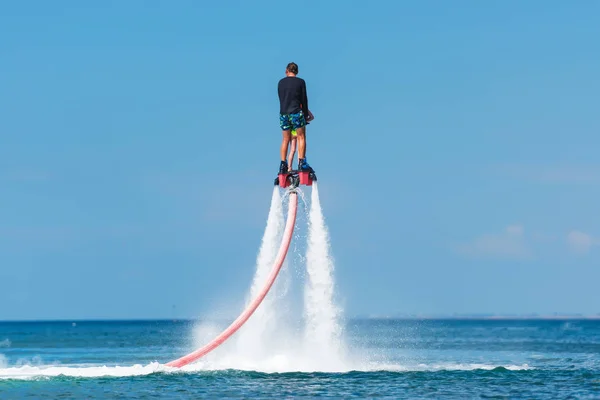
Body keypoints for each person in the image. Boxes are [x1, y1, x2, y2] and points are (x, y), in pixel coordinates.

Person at [278, 62, 314, 174]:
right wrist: (305, 113)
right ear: (296, 71)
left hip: (283, 113)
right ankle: (301, 163)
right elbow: (304, 99)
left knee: (285, 139)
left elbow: (281, 98)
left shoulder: (281, 82)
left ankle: (283, 165)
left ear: (286, 70)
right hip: (295, 112)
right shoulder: (300, 82)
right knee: (301, 137)